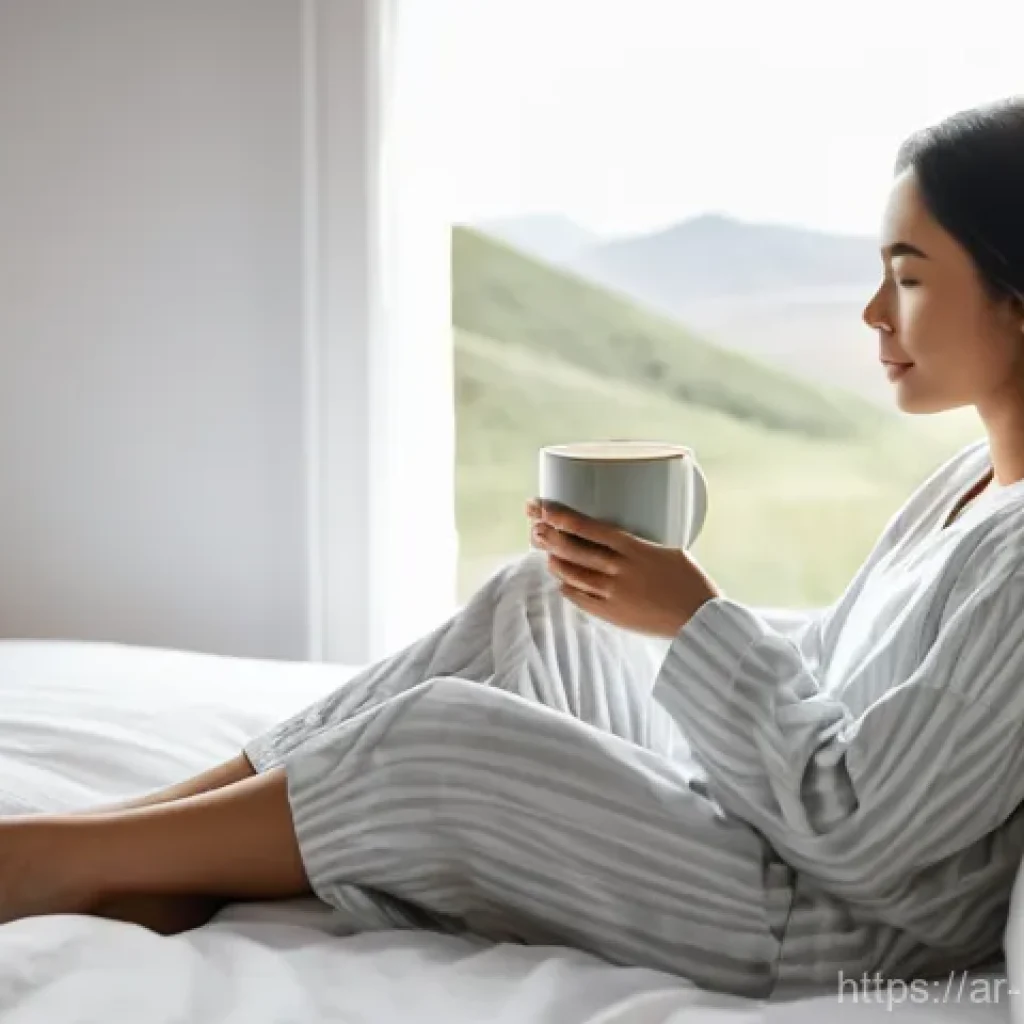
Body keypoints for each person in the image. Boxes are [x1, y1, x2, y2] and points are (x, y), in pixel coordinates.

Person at [3, 96, 1024, 1001]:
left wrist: (690, 620)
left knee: (443, 737)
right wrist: (656, 610)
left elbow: (864, 837)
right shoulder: (966, 482)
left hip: (817, 925)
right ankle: (150, 836)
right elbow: (830, 689)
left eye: (909, 277)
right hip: (761, 837)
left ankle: (76, 859)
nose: (872, 313)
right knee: (537, 599)